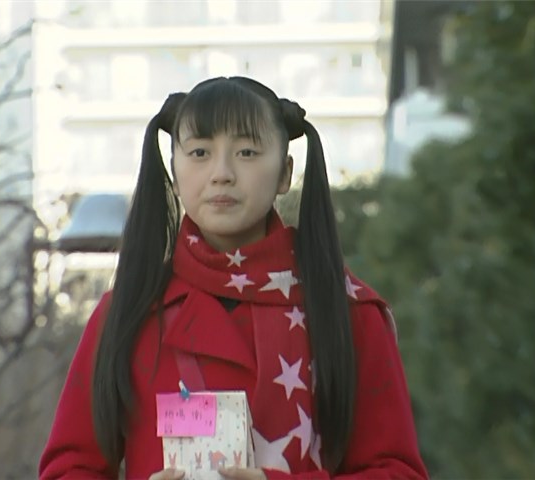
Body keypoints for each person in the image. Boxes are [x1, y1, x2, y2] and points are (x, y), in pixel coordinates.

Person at [39, 76, 429, 480]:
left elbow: (398, 472)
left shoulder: (347, 311)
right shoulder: (128, 313)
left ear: (285, 173)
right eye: (200, 152)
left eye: (246, 152)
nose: (221, 173)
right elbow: (67, 469)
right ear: (174, 173)